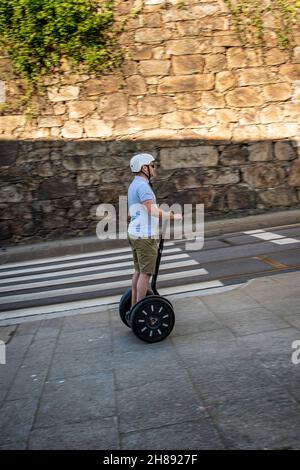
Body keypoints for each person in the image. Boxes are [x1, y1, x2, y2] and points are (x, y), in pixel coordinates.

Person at [127, 153, 181, 308]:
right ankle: (139, 309)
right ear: (144, 168)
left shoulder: (134, 185)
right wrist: (172, 216)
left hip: (135, 233)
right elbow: (152, 210)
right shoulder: (143, 186)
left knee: (138, 271)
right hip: (144, 236)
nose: (154, 168)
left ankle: (133, 308)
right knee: (145, 274)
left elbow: (134, 211)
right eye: (152, 165)